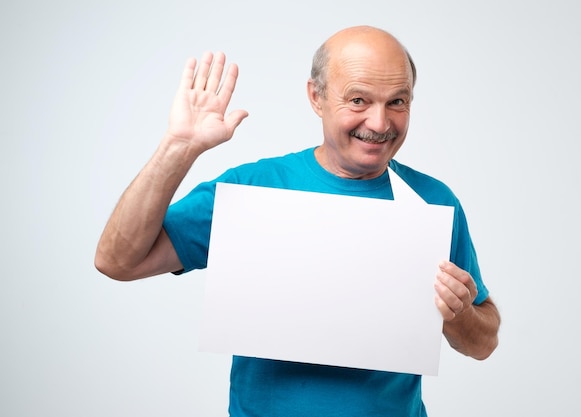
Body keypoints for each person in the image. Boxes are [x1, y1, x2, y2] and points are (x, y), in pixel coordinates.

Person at [95, 25, 500, 417]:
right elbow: (119, 261)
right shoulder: (253, 189)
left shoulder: (433, 202)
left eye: (397, 101)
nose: (380, 124)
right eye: (358, 100)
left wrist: (460, 314)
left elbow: (483, 342)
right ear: (316, 97)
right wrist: (178, 148)